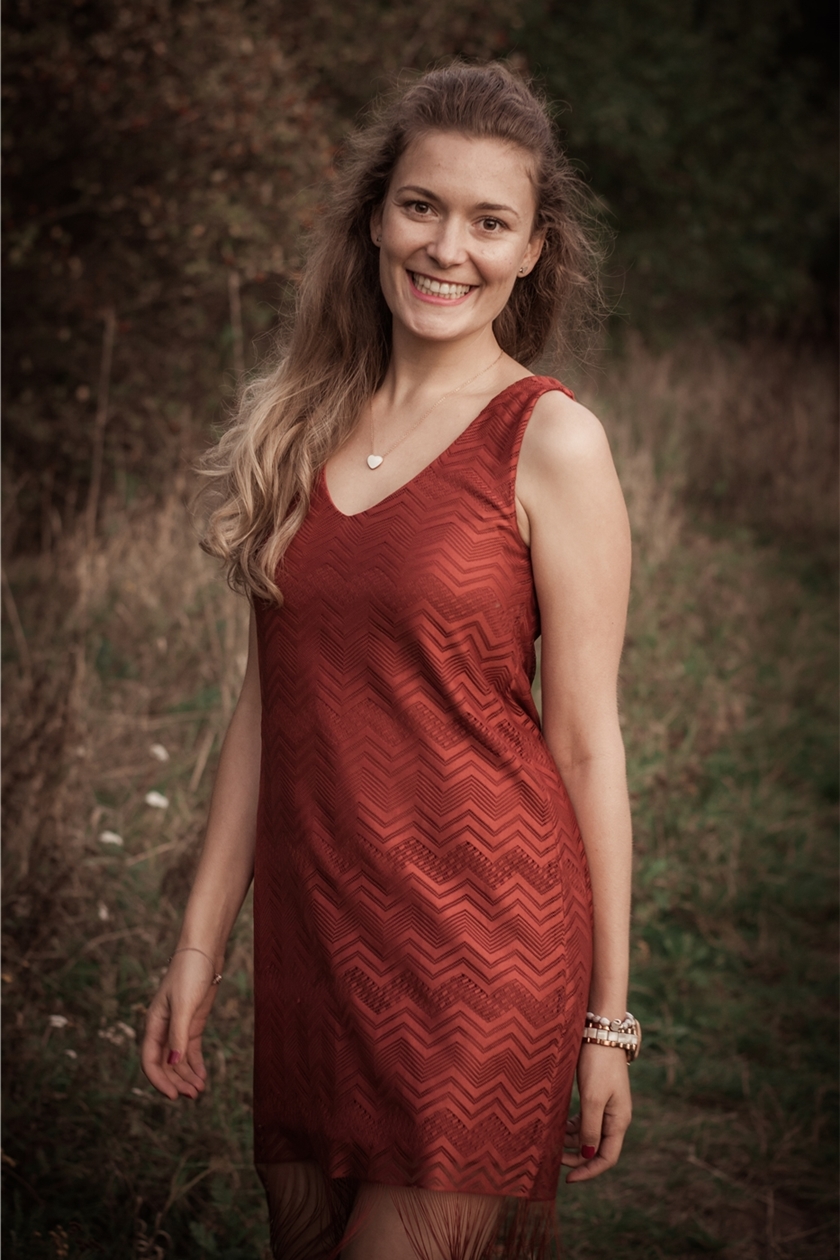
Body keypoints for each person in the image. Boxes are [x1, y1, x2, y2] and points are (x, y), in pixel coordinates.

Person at [142, 60, 635, 1260]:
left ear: (533, 250)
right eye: (422, 206)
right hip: (314, 943)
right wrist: (200, 945)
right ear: (375, 216)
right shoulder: (302, 422)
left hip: (486, 947)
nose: (447, 248)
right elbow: (268, 707)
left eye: (489, 221)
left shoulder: (551, 439)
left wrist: (608, 1022)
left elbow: (585, 743)